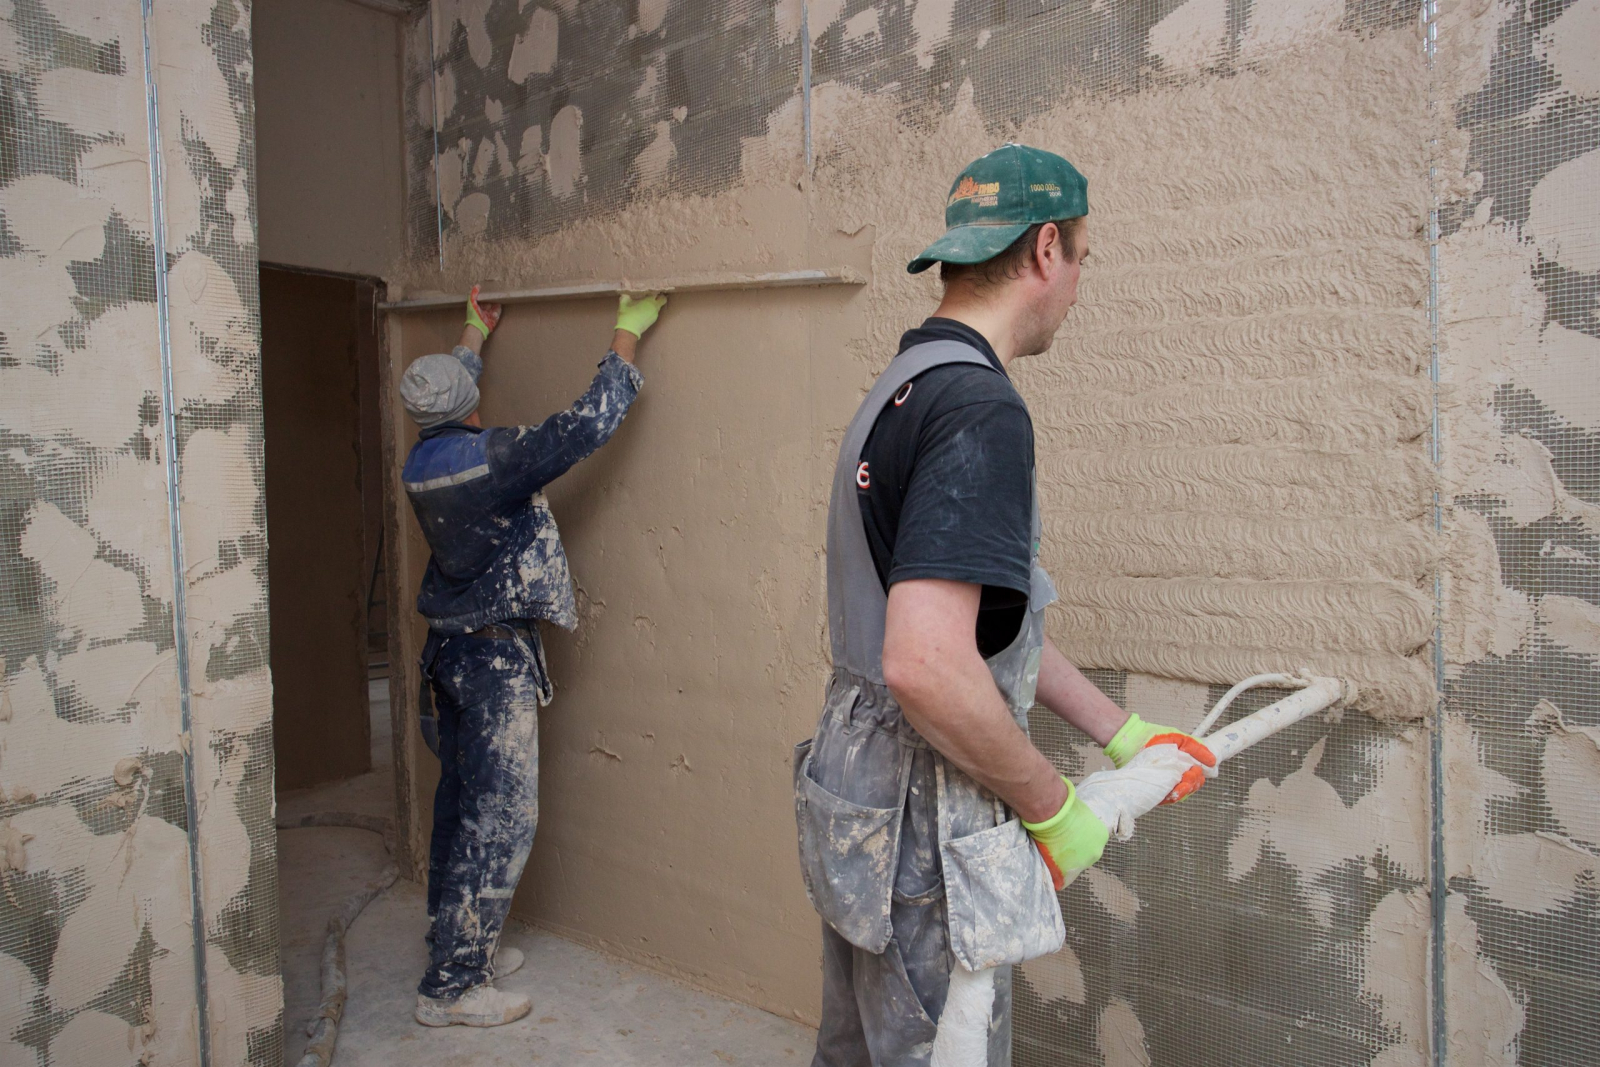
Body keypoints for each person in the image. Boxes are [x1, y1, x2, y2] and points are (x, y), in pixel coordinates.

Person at [794, 144, 1216, 1066]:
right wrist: (1053, 807)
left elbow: (983, 629)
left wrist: (1123, 734)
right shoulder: (981, 410)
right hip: (923, 820)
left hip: (862, 800)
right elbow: (927, 664)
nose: (1078, 288)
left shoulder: (897, 391)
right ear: (1046, 250)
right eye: (1082, 262)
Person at [399, 287, 668, 1027]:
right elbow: (582, 426)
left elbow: (446, 391)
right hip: (492, 663)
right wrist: (626, 330)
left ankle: (456, 940)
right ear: (471, 408)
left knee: (457, 805)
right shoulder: (492, 461)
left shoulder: (423, 459)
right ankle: (453, 985)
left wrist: (471, 333)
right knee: (503, 816)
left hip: (450, 651)